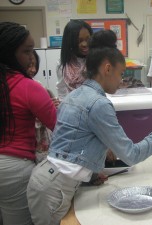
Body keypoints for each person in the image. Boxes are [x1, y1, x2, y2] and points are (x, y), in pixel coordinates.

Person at [27, 46, 152, 224]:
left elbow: (74, 142)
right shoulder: (99, 104)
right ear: (107, 69)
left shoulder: (74, 95)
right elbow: (131, 155)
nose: (121, 80)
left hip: (47, 178)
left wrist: (90, 174)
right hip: (54, 188)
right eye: (121, 73)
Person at [0, 22, 57, 225]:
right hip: (13, 168)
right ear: (8, 53)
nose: (31, 58)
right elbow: (59, 128)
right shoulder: (29, 87)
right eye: (26, 51)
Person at [56, 20, 93, 100]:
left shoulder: (96, 60)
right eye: (79, 41)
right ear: (70, 42)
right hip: (72, 106)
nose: (85, 44)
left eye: (88, 39)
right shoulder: (63, 64)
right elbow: (61, 91)